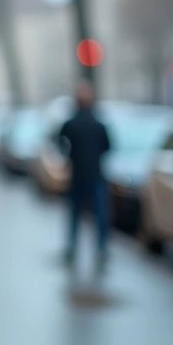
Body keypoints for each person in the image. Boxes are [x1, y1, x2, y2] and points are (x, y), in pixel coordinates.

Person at [58, 80, 112, 269]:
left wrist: (69, 155)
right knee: (99, 216)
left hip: (77, 176)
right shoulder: (98, 124)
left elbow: (58, 140)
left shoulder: (71, 124)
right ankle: (101, 249)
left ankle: (72, 248)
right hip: (96, 175)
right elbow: (109, 146)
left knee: (75, 215)